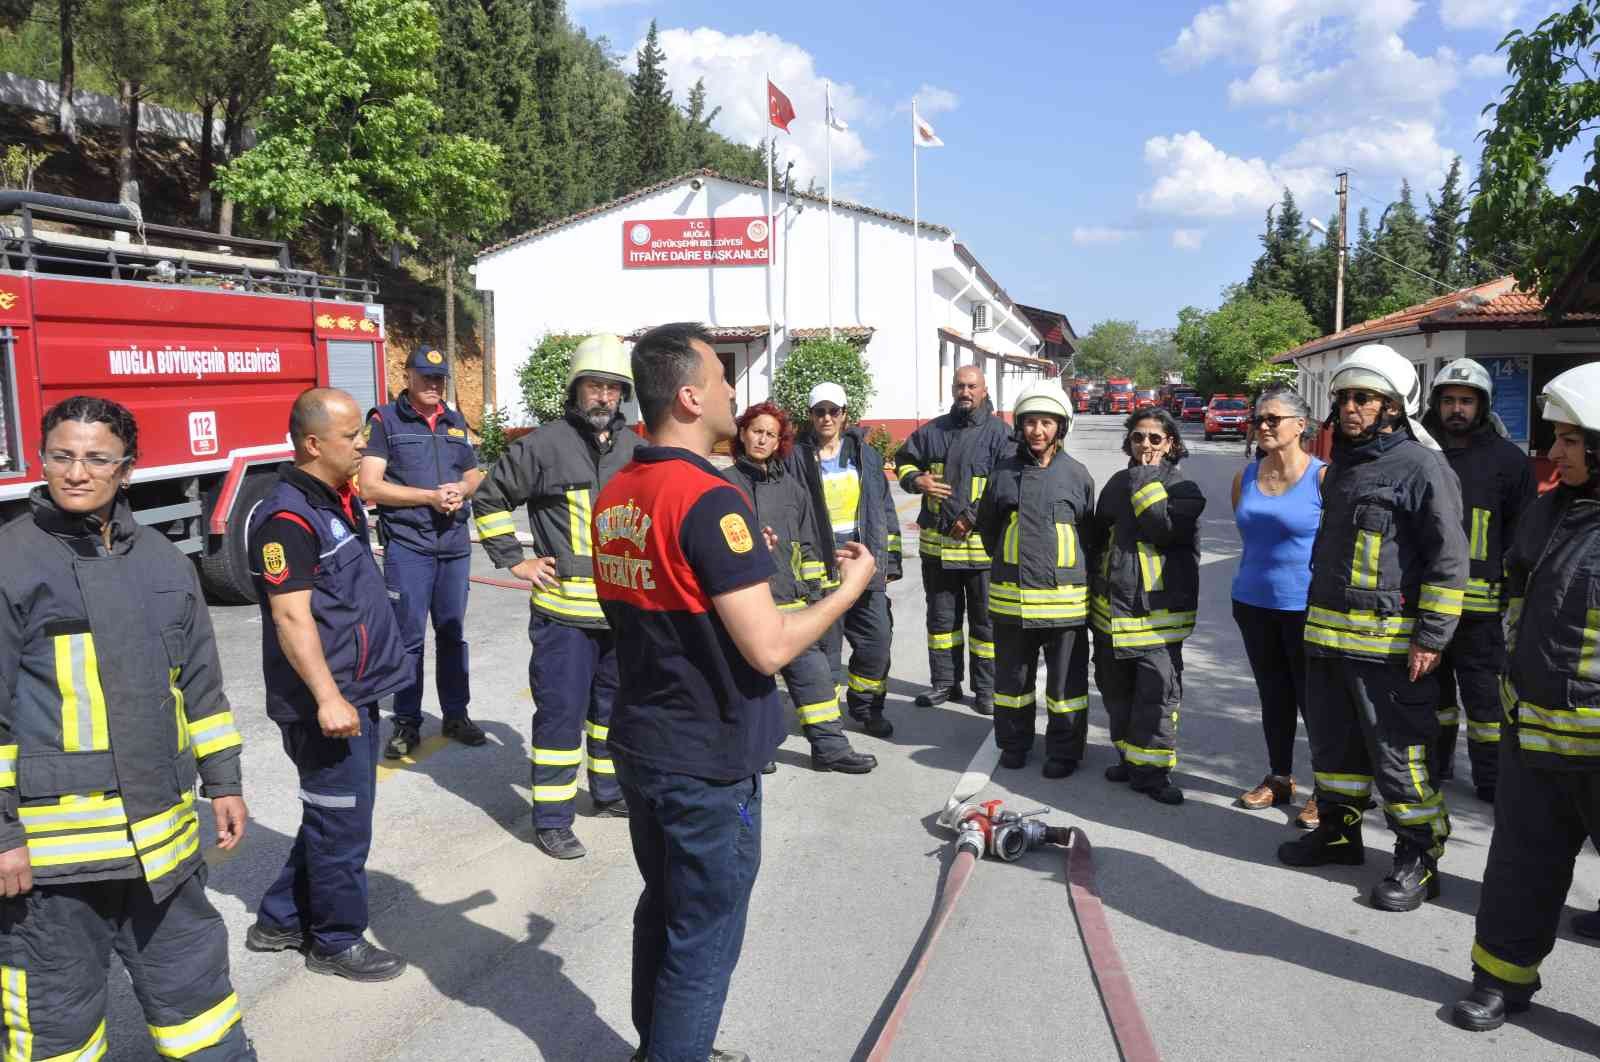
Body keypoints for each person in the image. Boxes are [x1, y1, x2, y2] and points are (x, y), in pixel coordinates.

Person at [594, 322, 876, 1062]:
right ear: (689, 396)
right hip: (705, 755)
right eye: (722, 379)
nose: (732, 391)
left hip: (643, 739)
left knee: (664, 910)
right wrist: (849, 589)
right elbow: (770, 644)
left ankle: (660, 1046)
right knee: (703, 936)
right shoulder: (710, 499)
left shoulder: (617, 487)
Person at [0, 396, 253, 1059]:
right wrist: (3, 835)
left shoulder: (167, 565)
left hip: (162, 853)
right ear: (42, 458)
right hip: (55, 868)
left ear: (127, 469)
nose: (76, 472)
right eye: (62, 455)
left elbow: (201, 684)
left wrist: (222, 781)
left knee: (201, 1011)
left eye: (96, 458)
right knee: (56, 1033)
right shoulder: (11, 562)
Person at [1277, 344, 1469, 913]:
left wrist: (1432, 637)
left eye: (1365, 398)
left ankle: (1419, 858)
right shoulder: (1343, 468)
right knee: (1335, 749)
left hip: (1389, 649)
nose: (1351, 407)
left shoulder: (1423, 467)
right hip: (1330, 643)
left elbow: (1448, 560)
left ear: (1393, 407)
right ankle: (1339, 835)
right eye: (1345, 398)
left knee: (1400, 755)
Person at [1451, 363, 1600, 1031]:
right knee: (1519, 868)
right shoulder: (1550, 510)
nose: (1554, 452)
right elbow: (1516, 593)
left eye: (1571, 440)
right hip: (1534, 733)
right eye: (1556, 438)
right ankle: (1500, 981)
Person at [246, 387, 410, 981]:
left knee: (332, 814)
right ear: (314, 444)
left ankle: (281, 919)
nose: (363, 444)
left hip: (354, 691)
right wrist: (328, 697)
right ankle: (335, 941)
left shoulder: (334, 499)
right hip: (326, 703)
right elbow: (292, 618)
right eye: (351, 437)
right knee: (342, 822)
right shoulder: (286, 518)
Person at [472, 335, 640, 860]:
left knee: (613, 712)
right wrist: (514, 559)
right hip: (564, 616)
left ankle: (609, 794)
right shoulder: (543, 445)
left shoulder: (638, 448)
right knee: (561, 718)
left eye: (614, 389)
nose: (604, 397)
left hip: (622, 614)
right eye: (595, 386)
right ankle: (551, 819)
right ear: (576, 390)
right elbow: (488, 497)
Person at [724, 400, 876, 773]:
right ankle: (758, 750)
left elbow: (808, 544)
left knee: (815, 675)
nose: (762, 439)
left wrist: (815, 594)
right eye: (756, 431)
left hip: (792, 601)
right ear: (742, 434)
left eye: (770, 435)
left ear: (780, 442)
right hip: (746, 602)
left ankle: (830, 748)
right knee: (750, 682)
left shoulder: (792, 489)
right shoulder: (723, 486)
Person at [360, 345, 487, 760]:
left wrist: (459, 490)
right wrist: (428, 497)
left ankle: (456, 714)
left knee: (452, 634)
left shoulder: (454, 420)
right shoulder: (385, 421)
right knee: (409, 639)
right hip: (409, 547)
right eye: (426, 377)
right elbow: (370, 486)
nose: (434, 385)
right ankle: (406, 723)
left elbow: (472, 473)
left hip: (452, 545)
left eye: (439, 379)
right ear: (407, 376)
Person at [1421, 358, 1534, 802]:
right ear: (1436, 403)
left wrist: (1515, 597)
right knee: (1433, 699)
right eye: (1448, 400)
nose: (1456, 409)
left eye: (1466, 401)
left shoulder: (1509, 461)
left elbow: (1522, 533)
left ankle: (1491, 781)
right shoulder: (1421, 453)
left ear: (1482, 406)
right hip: (1427, 605)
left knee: (1486, 707)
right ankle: (1435, 766)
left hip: (1483, 614)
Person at [976, 381, 1097, 776]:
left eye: (1047, 423)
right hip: (1012, 600)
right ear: (1020, 426)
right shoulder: (1003, 474)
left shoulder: (1077, 476)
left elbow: (1088, 538)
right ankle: (1013, 743)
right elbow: (989, 531)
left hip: (1065, 604)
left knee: (1065, 688)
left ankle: (1063, 751)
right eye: (1030, 422)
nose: (1038, 431)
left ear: (1060, 427)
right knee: (1012, 682)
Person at [1090, 406, 1205, 805]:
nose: (1146, 445)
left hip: (1157, 620)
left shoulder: (1184, 489)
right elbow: (1097, 540)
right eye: (1139, 437)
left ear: (1171, 444)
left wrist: (1144, 477)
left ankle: (1154, 774)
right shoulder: (1116, 484)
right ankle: (1129, 759)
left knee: (1156, 697)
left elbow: (1163, 528)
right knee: (1115, 692)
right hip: (1111, 614)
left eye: (1156, 438)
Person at [1230, 386, 1326, 828]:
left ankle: (1328, 790)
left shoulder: (1323, 478)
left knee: (1317, 702)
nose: (1263, 426)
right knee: (1274, 696)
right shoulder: (1245, 477)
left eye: (1273, 419)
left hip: (1305, 607)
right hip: (1253, 604)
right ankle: (1279, 777)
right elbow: (1249, 536)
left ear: (1300, 426)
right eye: (1259, 419)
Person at [896, 365, 1013, 714]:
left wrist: (972, 517)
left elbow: (1006, 486)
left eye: (972, 386)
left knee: (985, 625)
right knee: (941, 622)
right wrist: (917, 480)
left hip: (981, 553)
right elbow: (903, 462)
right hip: (937, 550)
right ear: (952, 389)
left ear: (984, 389)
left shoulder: (1001, 435)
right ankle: (945, 684)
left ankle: (987, 690)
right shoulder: (932, 431)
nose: (966, 392)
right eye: (960, 386)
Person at [791, 381, 902, 737]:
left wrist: (891, 560)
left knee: (876, 642)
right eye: (819, 411)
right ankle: (826, 721)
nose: (826, 418)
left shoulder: (865, 457)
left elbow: (883, 507)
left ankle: (867, 708)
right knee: (826, 651)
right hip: (819, 566)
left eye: (833, 411)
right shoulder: (794, 458)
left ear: (844, 416)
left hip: (862, 562)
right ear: (810, 417)